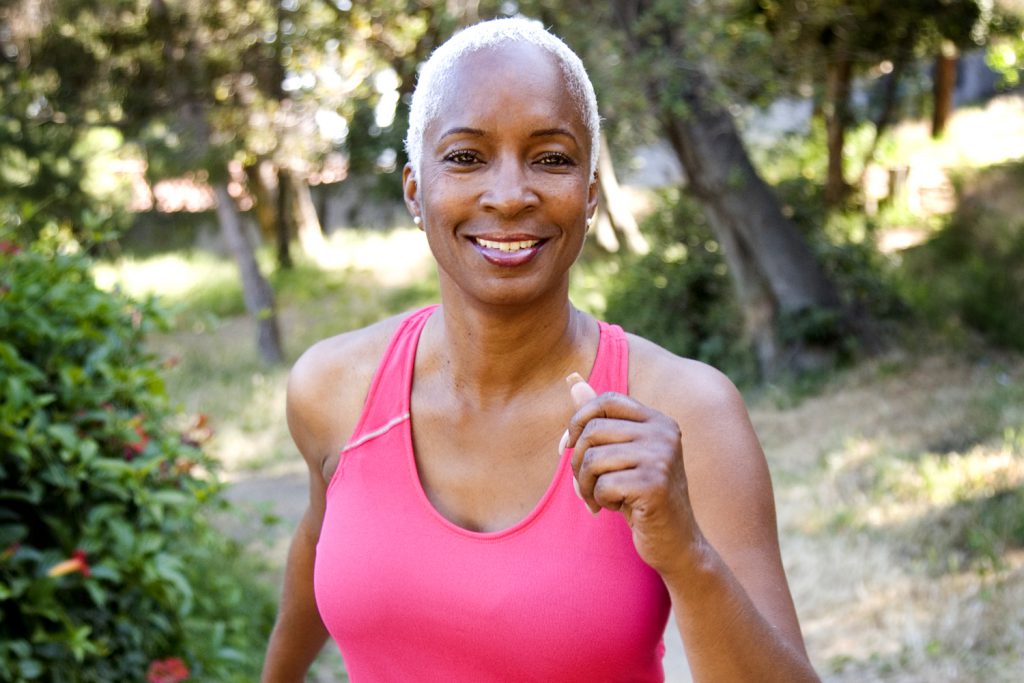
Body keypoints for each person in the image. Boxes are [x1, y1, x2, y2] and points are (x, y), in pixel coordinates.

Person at [261, 16, 819, 683]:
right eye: (466, 157)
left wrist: (687, 550)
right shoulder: (334, 389)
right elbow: (317, 547)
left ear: (588, 194)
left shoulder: (685, 412)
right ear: (415, 190)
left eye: (550, 157)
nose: (509, 195)